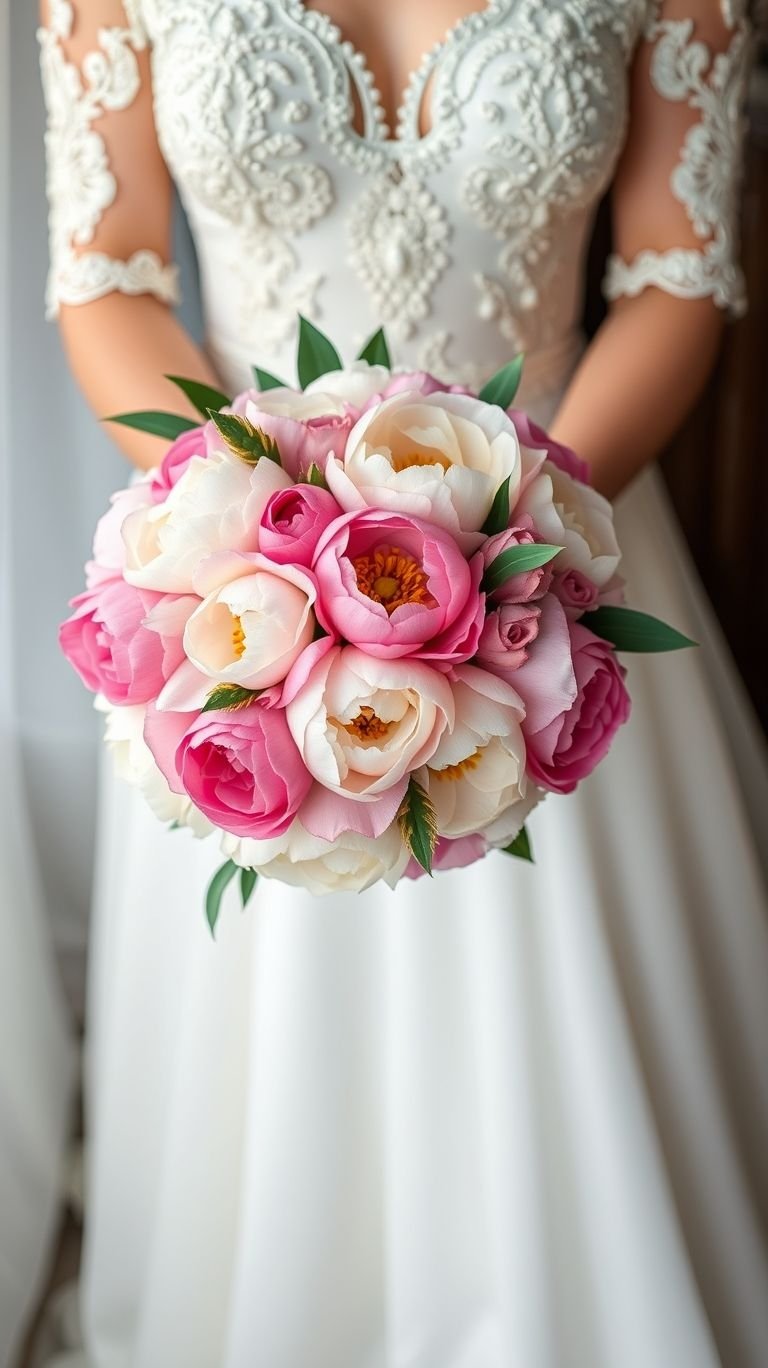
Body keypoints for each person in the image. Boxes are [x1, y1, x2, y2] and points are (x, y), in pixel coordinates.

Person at [39, 1, 768, 1365]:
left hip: (568, 546)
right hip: (239, 589)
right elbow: (112, 270)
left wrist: (512, 544)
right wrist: (263, 538)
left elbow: (679, 271)